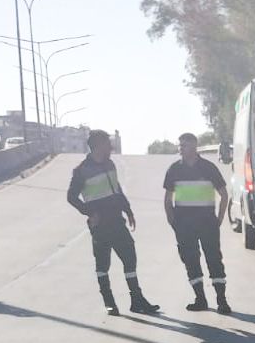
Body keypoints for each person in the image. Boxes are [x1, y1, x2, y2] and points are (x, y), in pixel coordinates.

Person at [67, 130, 160, 315]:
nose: (111, 147)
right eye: (107, 144)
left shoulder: (110, 164)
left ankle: (137, 300)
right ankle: (109, 303)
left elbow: (116, 189)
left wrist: (128, 209)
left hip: (117, 220)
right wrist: (89, 212)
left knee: (130, 258)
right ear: (97, 146)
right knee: (103, 265)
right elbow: (71, 197)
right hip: (99, 226)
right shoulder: (81, 171)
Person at [163, 132, 231, 313]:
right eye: (180, 145)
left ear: (194, 146)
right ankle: (200, 299)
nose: (180, 149)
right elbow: (168, 198)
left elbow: (224, 195)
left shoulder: (208, 168)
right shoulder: (174, 170)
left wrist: (219, 219)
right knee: (191, 261)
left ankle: (221, 300)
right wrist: (172, 220)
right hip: (184, 225)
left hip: (207, 223)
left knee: (214, 260)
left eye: (183, 145)